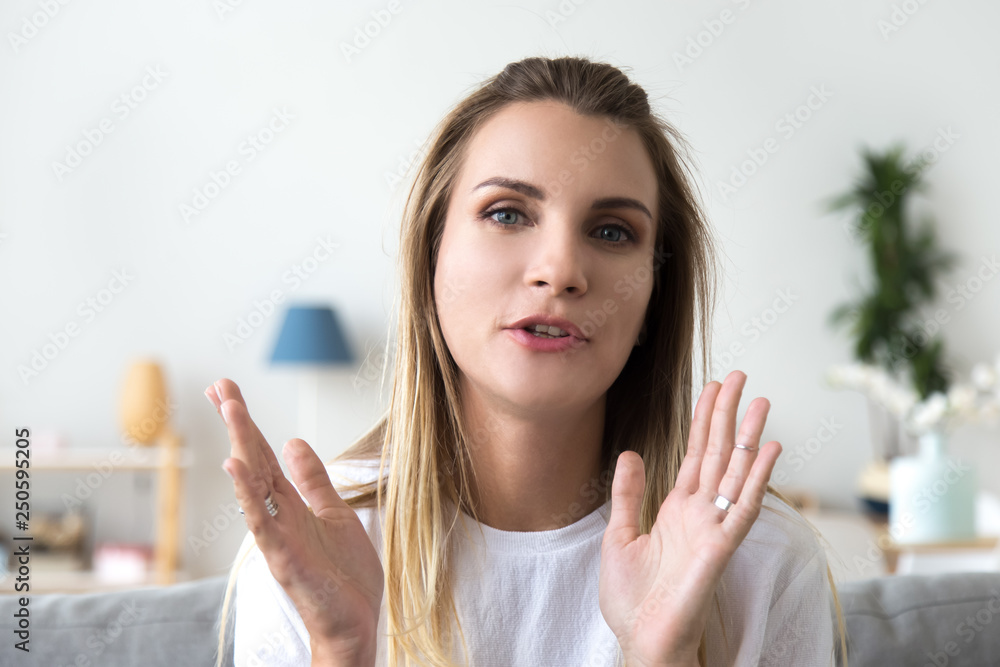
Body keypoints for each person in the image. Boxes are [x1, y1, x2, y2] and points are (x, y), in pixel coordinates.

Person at [206, 55, 847, 666]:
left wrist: (665, 657)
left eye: (612, 231)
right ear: (431, 260)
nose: (561, 271)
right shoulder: (314, 548)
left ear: (654, 297)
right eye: (507, 213)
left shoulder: (760, 558)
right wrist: (341, 652)